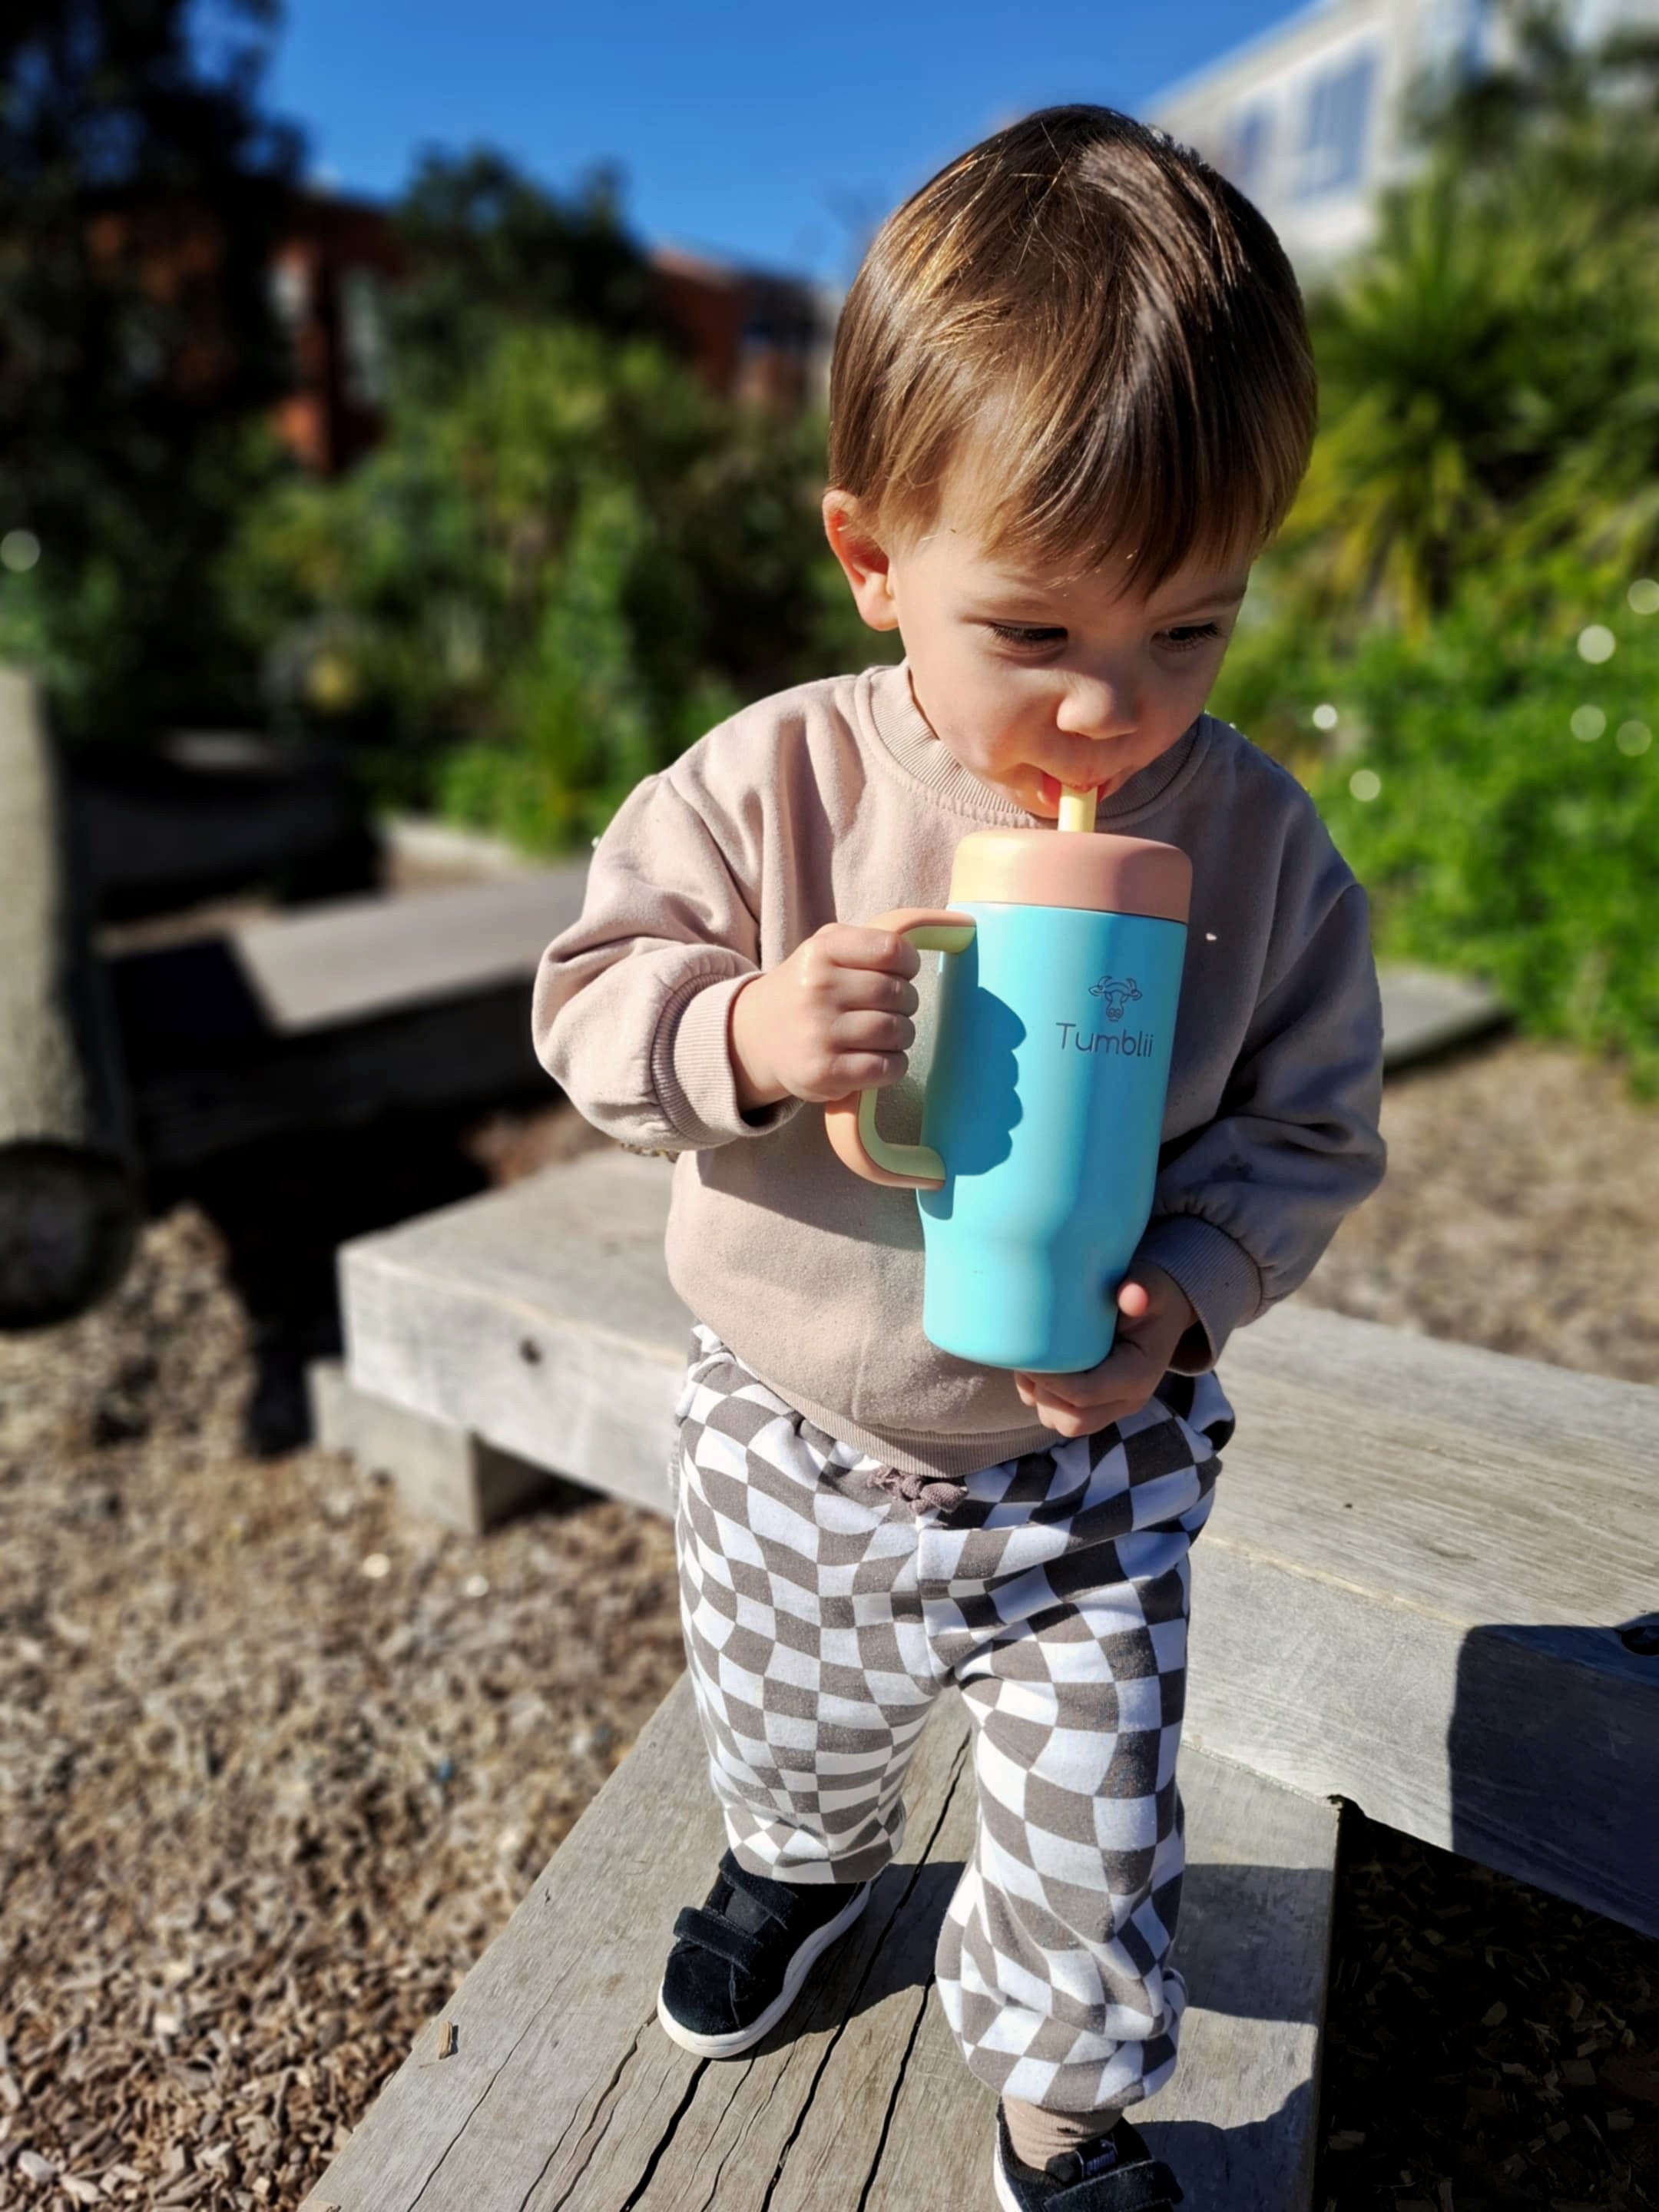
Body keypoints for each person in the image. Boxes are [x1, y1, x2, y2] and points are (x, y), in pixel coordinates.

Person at [533, 104, 1386, 2212]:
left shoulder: (1256, 848)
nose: (1111, 711)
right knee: (788, 1731)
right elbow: (585, 999)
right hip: (787, 1422)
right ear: (873, 555)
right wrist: (736, 1030)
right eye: (1036, 633)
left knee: (1093, 1827)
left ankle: (1062, 2114)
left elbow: (1308, 1127)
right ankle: (802, 1872)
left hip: (1084, 1465)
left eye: (1191, 629)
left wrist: (1184, 1287)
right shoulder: (775, 785)